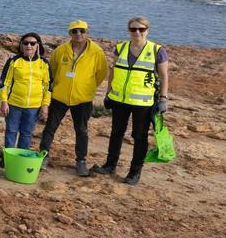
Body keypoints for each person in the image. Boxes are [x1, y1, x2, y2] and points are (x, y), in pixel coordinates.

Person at [93, 17, 170, 186]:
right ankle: (110, 165)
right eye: (134, 29)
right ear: (129, 30)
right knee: (116, 133)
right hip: (119, 100)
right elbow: (113, 71)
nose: (137, 32)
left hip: (143, 103)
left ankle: (134, 173)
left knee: (139, 137)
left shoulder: (157, 50)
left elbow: (164, 76)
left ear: (147, 30)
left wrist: (163, 98)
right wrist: (108, 93)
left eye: (141, 29)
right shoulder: (120, 48)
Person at [39, 21, 109, 177]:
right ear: (70, 33)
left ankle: (81, 161)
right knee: (50, 127)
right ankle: (43, 155)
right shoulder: (61, 50)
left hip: (82, 98)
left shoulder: (96, 52)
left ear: (87, 32)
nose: (78, 34)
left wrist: (87, 87)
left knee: (82, 130)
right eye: (75, 31)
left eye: (82, 31)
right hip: (59, 96)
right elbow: (52, 70)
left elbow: (101, 74)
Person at [0, 33, 51, 157]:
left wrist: (45, 105)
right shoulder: (14, 61)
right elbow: (4, 83)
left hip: (34, 107)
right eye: (26, 43)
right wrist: (4, 101)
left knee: (27, 133)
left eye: (32, 43)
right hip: (14, 104)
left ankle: (21, 159)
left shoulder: (44, 63)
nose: (29, 45)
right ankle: (8, 158)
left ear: (37, 46)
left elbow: (48, 87)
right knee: (11, 132)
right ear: (21, 45)